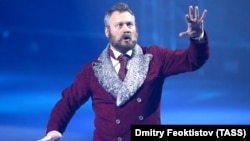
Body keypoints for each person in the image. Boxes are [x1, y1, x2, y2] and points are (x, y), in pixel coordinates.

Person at [38, 2, 209, 141]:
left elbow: (192, 61)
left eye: (130, 24)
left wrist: (197, 37)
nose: (126, 29)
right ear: (107, 31)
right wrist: (53, 129)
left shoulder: (156, 57)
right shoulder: (92, 70)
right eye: (119, 25)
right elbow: (68, 101)